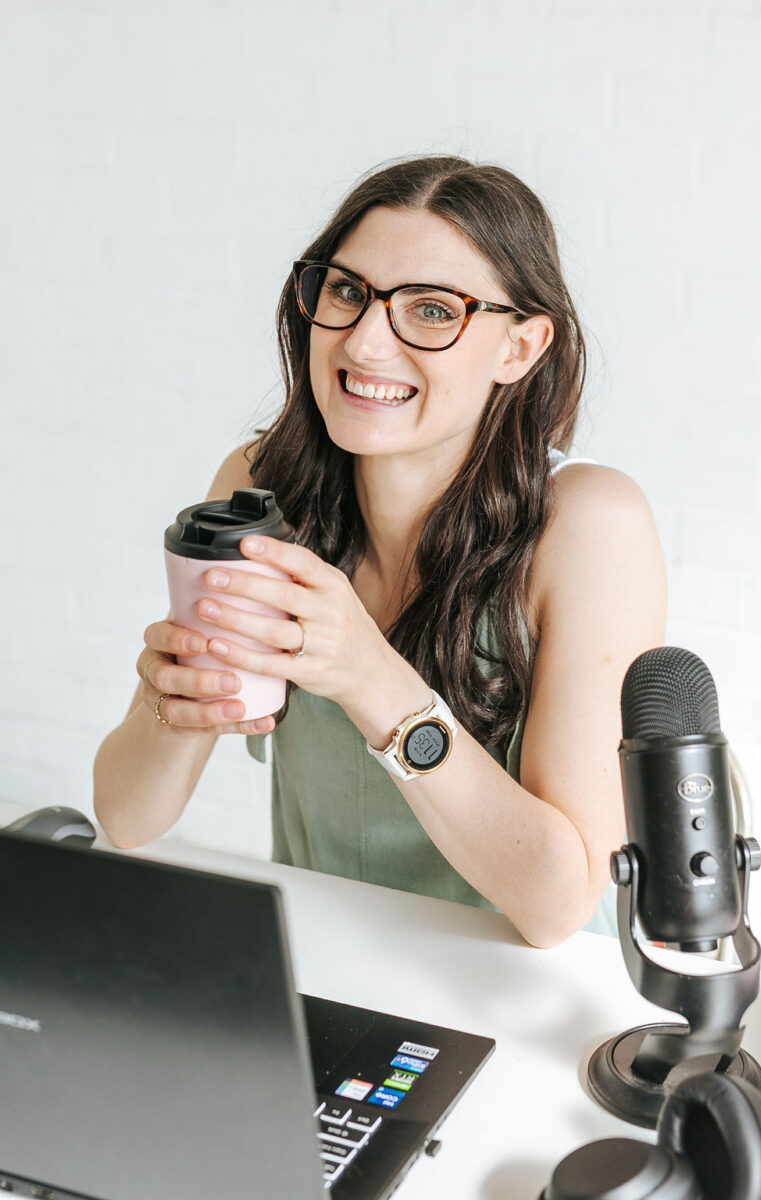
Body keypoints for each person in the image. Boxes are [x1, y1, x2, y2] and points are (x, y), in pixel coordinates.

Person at [94, 155, 666, 948]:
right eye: (348, 290)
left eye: (433, 310)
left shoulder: (589, 526)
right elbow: (126, 818)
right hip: (329, 965)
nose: (364, 343)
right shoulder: (260, 491)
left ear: (521, 347)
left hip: (532, 994)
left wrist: (369, 674)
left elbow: (558, 906)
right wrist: (173, 709)